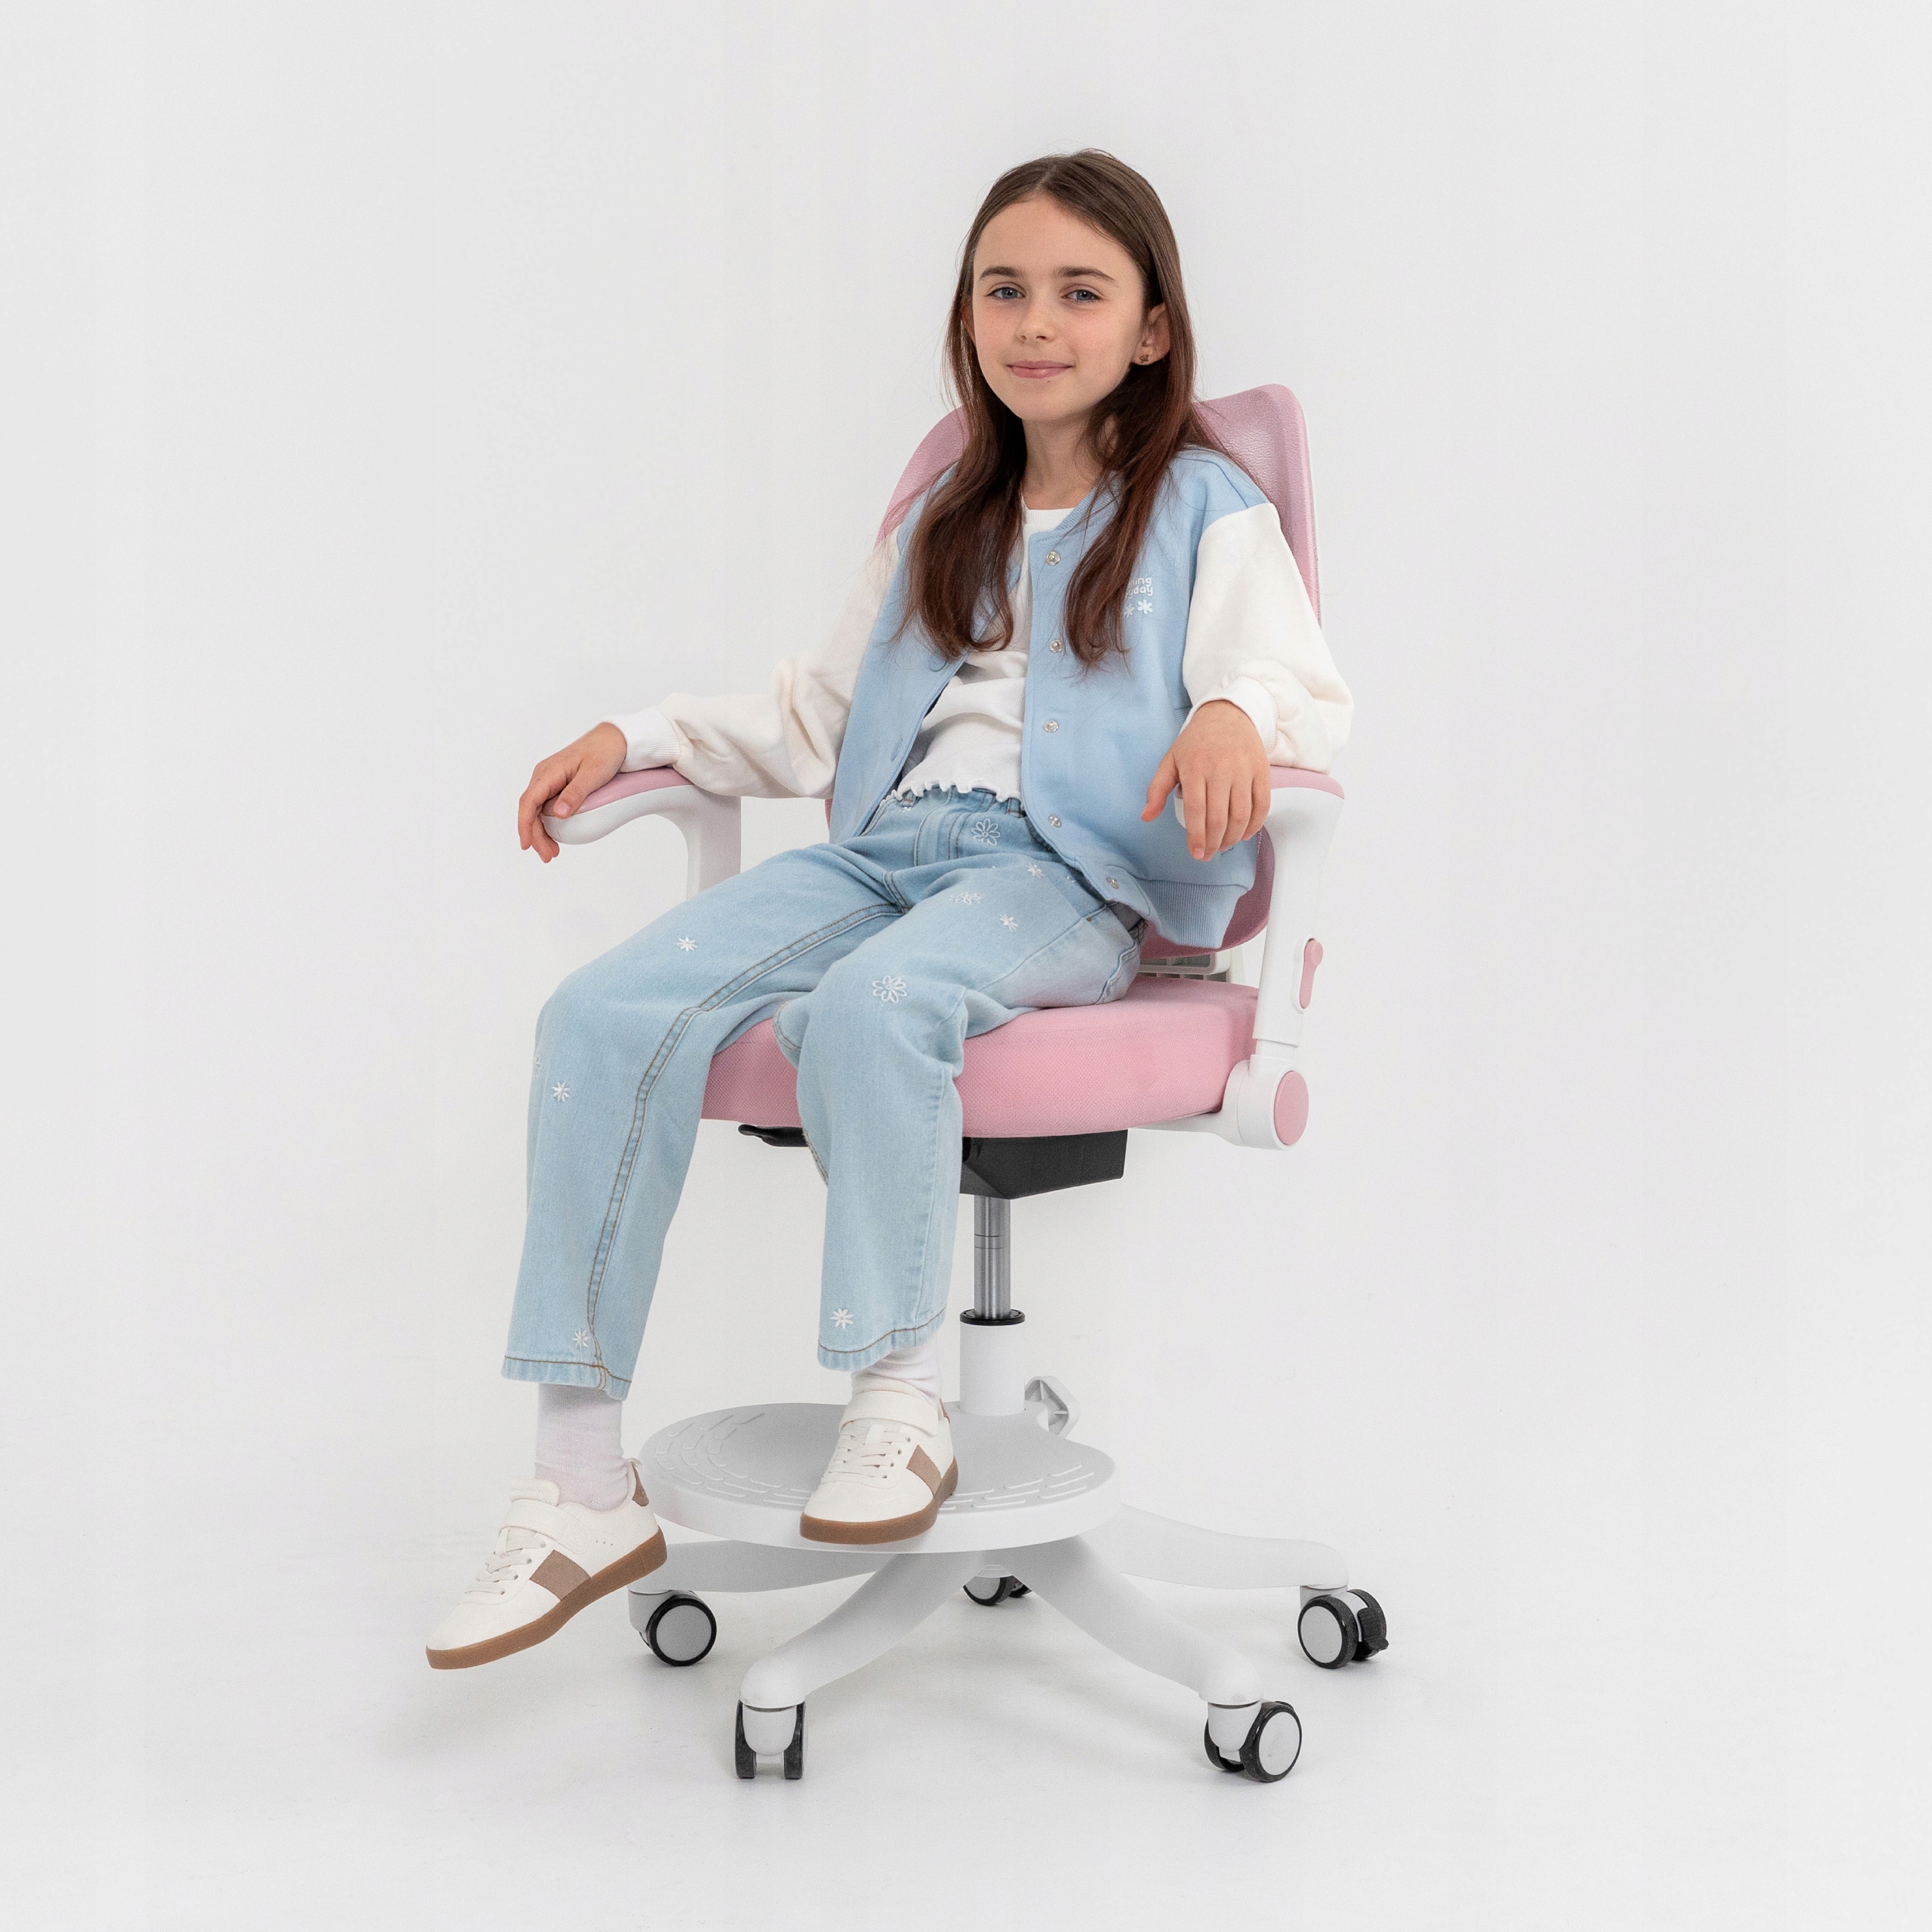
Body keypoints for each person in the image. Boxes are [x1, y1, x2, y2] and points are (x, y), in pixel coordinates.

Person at [426, 149, 1352, 1670]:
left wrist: (1232, 713)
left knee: (871, 1004)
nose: (1035, 321)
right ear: (966, 315)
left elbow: (1294, 684)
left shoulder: (1202, 504)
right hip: (885, 857)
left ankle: (898, 1393)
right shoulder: (943, 510)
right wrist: (641, 735)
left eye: (1079, 291)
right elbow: (816, 715)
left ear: (1150, 328)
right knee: (595, 1012)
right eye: (1004, 289)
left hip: (1065, 878)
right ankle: (578, 1479)